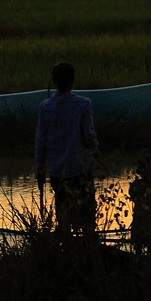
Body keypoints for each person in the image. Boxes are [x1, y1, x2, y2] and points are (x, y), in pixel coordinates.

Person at [35, 61, 100, 244]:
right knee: (87, 212)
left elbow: (41, 141)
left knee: (62, 210)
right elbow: (88, 135)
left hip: (58, 171)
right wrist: (95, 148)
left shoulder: (45, 107)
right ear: (73, 80)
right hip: (80, 169)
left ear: (54, 81)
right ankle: (89, 250)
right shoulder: (83, 104)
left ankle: (66, 248)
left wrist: (40, 167)